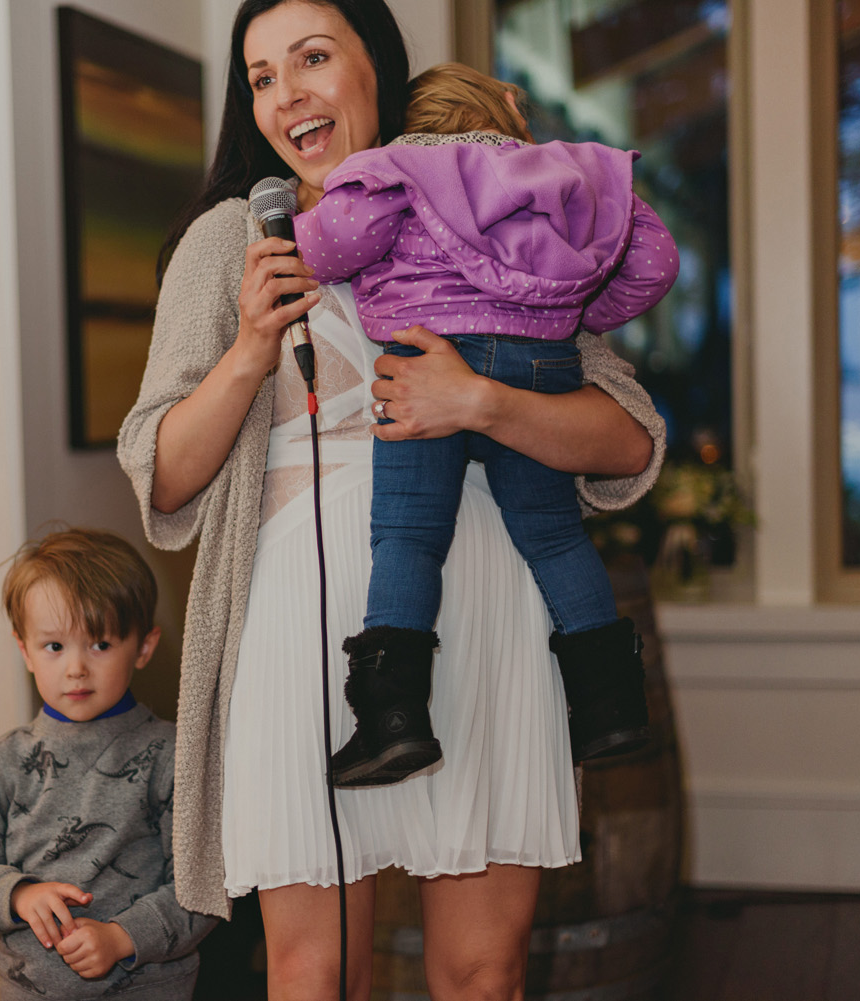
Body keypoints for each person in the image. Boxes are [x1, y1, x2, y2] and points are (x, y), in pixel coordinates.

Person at [117, 1, 666, 997]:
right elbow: (159, 471)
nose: (287, 94)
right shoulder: (228, 239)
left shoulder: (481, 194)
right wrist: (248, 347)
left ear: (377, 65)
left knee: (482, 973)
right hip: (303, 638)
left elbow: (627, 436)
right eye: (262, 75)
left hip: (490, 613)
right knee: (316, 975)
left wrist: (482, 400)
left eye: (312, 58)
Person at [289, 62, 679, 784]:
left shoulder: (399, 167)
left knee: (408, 535)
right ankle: (612, 710)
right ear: (505, 111)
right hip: (542, 365)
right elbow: (654, 261)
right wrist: (576, 310)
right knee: (556, 535)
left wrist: (313, 207)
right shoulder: (569, 172)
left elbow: (329, 248)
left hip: (425, 361)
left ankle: (393, 721)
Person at [0, 528, 215, 1000]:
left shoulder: (174, 756)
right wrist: (17, 893)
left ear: (143, 647)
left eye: (100, 644)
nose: (76, 668)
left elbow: (203, 889)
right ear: (25, 651)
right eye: (55, 647)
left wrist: (123, 938)